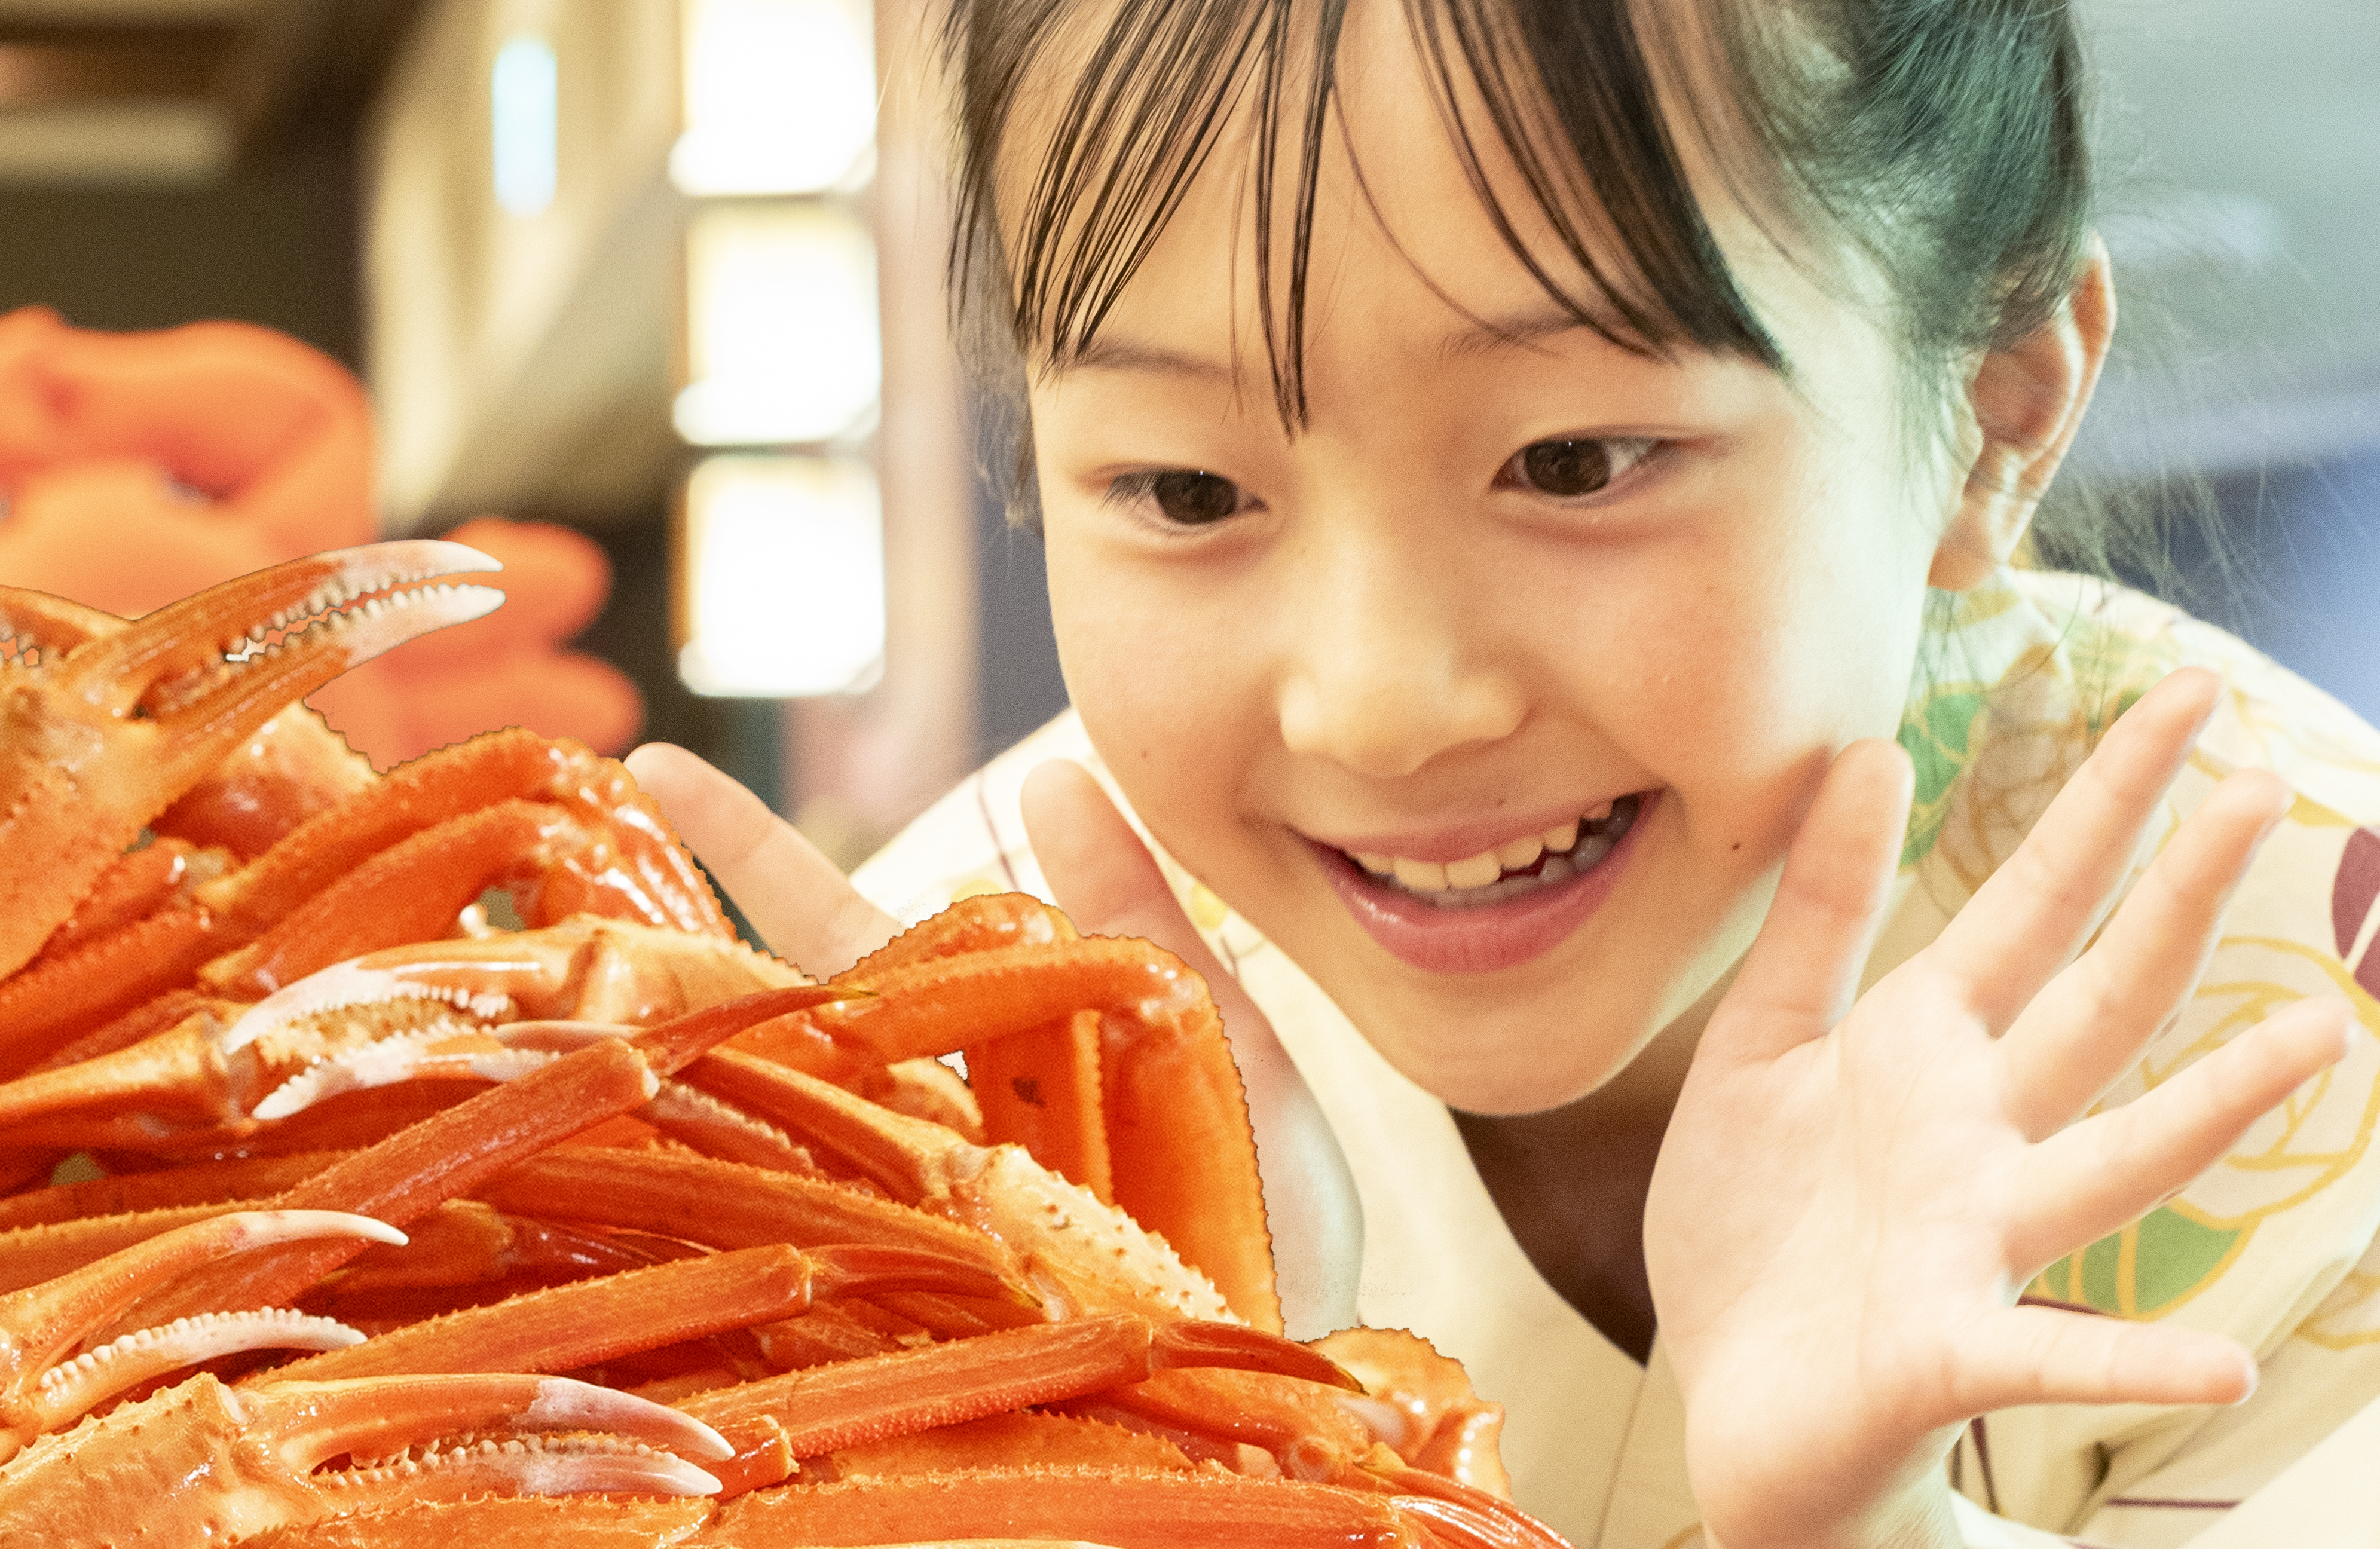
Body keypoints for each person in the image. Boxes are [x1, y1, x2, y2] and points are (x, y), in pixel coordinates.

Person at [625, 1, 2380, 1543]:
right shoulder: (950, 1076)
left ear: (1998, 408)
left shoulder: (2320, 988)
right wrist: (1210, 1447)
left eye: (1579, 458)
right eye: (1183, 492)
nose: (1380, 708)